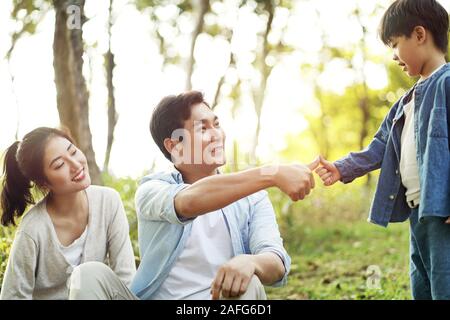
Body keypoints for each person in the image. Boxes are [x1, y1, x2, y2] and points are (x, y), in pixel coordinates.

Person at [70, 91, 319, 300]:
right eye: (202, 128)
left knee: (250, 284)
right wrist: (272, 173)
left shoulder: (253, 199)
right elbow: (188, 202)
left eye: (217, 124)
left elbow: (276, 262)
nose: (216, 135)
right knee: (88, 274)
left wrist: (251, 262)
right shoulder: (152, 190)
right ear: (173, 145)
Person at [315, 0, 450, 300]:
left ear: (419, 34)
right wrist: (341, 168)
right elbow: (380, 146)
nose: (393, 56)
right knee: (422, 283)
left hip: (444, 212)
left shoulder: (447, 84)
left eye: (394, 44)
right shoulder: (403, 104)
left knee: (446, 284)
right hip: (420, 212)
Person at [0, 127, 136, 300]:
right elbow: (13, 296)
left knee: (88, 275)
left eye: (72, 151)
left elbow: (126, 280)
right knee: (86, 274)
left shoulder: (108, 201)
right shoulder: (32, 229)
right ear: (43, 183)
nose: (76, 165)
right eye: (59, 165)